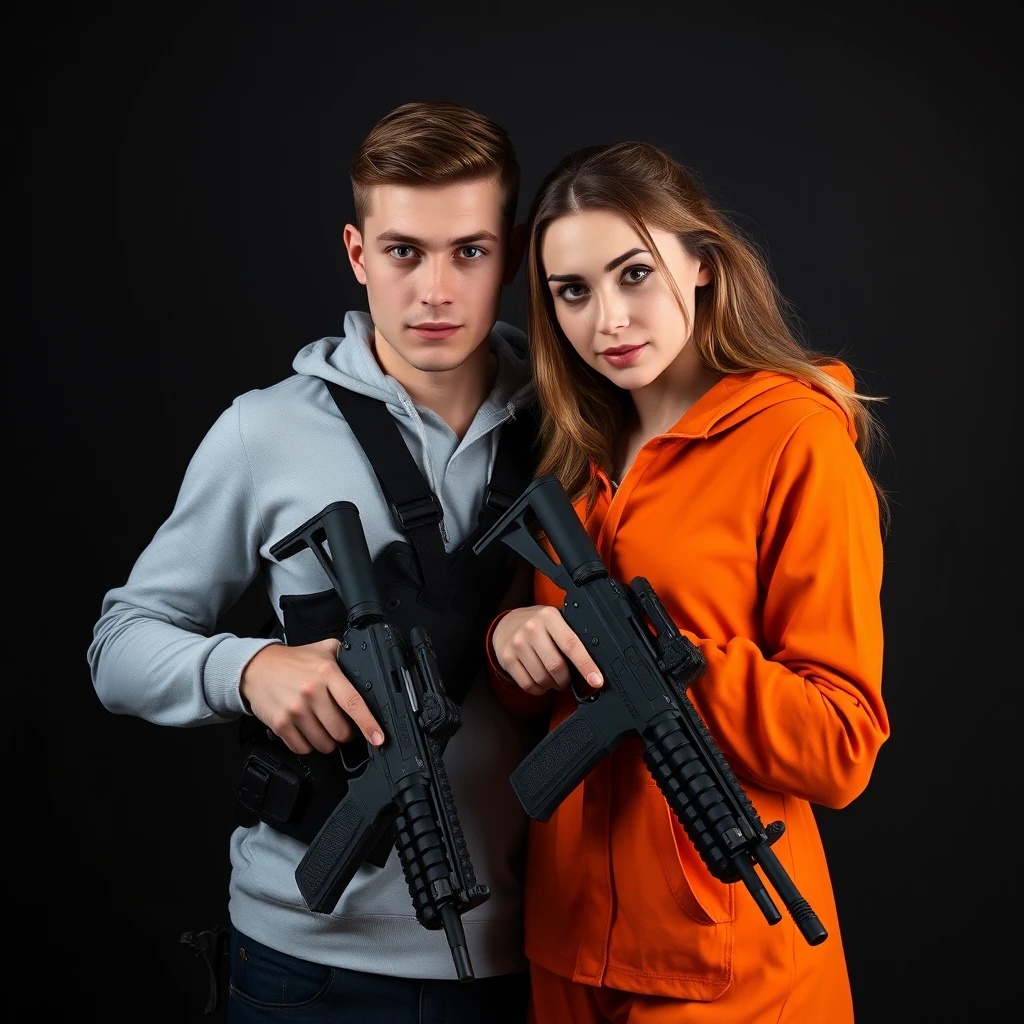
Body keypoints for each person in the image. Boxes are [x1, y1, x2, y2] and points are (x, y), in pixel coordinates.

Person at [88, 100, 541, 1023]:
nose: (436, 293)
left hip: (530, 958)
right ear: (357, 252)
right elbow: (119, 644)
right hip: (305, 966)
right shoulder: (267, 429)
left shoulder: (575, 426)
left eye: (470, 252)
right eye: (405, 251)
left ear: (515, 250)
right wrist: (246, 668)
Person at [485, 141, 890, 1023]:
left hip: (728, 963)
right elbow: (536, 699)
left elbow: (841, 742)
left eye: (634, 274)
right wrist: (511, 641)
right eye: (573, 292)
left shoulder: (795, 443)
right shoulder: (573, 453)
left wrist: (670, 662)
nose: (608, 321)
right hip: (561, 950)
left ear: (702, 265)